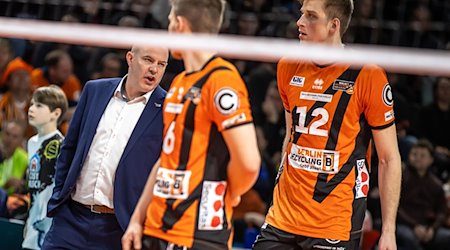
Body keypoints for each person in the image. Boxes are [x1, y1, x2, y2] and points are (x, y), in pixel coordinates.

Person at [253, 0, 402, 250]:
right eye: (301, 14)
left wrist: (388, 231)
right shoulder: (288, 65)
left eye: (311, 16)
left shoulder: (368, 74)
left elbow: (389, 158)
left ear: (334, 25)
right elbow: (290, 137)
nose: (299, 22)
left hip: (335, 222)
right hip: (282, 217)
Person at [122, 1, 261, 249]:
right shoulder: (179, 83)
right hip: (157, 227)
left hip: (197, 233)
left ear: (180, 24)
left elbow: (249, 164)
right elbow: (166, 158)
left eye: (170, 21)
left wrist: (228, 191)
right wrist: (137, 219)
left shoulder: (222, 80)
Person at [42, 45, 169, 250]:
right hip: (71, 219)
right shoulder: (95, 90)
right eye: (148, 60)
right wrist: (59, 197)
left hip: (119, 228)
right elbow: (70, 147)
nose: (154, 69)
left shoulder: (168, 108)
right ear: (130, 58)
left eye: (161, 64)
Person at [22, 86, 68, 250]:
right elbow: (33, 187)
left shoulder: (60, 145)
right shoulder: (32, 142)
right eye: (32, 104)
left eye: (39, 106)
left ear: (55, 113)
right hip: (33, 219)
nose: (31, 109)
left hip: (49, 224)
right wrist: (29, 219)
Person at [396, 140, 450, 250]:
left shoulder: (436, 184)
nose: (418, 158)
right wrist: (414, 226)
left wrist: (433, 229)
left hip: (428, 226)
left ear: (431, 160)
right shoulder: (400, 178)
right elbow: (396, 208)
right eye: (414, 154)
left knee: (447, 236)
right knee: (409, 237)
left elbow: (442, 211)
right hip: (404, 224)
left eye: (422, 155)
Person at [0, 120, 28, 189]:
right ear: (1, 134)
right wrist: (5, 186)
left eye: (15, 136)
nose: (10, 139)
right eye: (7, 134)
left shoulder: (24, 158)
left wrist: (23, 184)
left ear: (21, 140)